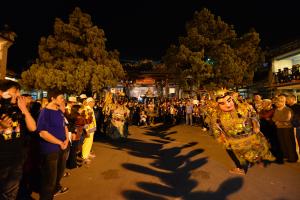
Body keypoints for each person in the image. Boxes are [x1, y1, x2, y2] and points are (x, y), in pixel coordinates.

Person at [210, 89, 275, 175]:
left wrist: (255, 124)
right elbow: (216, 127)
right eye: (222, 103)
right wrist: (220, 137)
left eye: (229, 101)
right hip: (232, 139)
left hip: (250, 136)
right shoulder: (216, 115)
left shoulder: (245, 107)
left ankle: (256, 161)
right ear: (217, 104)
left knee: (256, 148)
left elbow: (254, 114)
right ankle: (241, 168)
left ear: (233, 99)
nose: (228, 105)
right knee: (234, 152)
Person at [0, 80, 36, 200]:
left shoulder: (19, 110)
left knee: (11, 194)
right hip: (2, 161)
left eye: (18, 92)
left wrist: (24, 109)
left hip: (16, 160)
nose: (18, 95)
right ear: (2, 93)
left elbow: (33, 127)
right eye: (15, 91)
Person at [37, 90, 69, 200]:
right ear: (52, 99)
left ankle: (55, 191)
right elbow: (42, 133)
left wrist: (66, 140)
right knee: (49, 179)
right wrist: (60, 142)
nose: (63, 100)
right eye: (61, 98)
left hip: (62, 147)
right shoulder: (45, 112)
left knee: (59, 174)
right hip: (50, 149)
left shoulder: (59, 111)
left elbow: (64, 126)